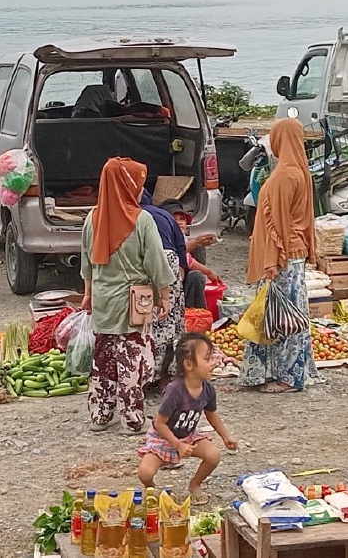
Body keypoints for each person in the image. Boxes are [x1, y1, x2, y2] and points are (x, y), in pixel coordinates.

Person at [81, 158, 175, 434]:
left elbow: (87, 262)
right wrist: (165, 297)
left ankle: (101, 414)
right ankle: (132, 419)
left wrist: (88, 294)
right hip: (137, 298)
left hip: (103, 299)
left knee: (104, 357)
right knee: (133, 357)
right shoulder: (142, 220)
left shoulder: (93, 217)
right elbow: (156, 263)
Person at [238, 118, 321, 393]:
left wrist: (273, 260)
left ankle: (288, 376)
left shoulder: (286, 175)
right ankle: (290, 371)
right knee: (286, 313)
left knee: (281, 317)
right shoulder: (300, 171)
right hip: (293, 252)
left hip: (284, 256)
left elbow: (279, 225)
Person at [138, 333, 238, 503]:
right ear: (189, 364)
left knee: (213, 455)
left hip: (188, 436)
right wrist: (177, 445)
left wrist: (226, 436)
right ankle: (150, 489)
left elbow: (211, 413)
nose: (214, 363)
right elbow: (159, 423)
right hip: (163, 438)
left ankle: (195, 485)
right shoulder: (175, 390)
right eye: (207, 358)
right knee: (145, 473)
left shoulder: (208, 389)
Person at [140, 190, 189, 374]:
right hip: (172, 264)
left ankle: (150, 373)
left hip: (150, 265)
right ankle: (171, 373)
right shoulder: (164, 215)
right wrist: (181, 269)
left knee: (148, 321)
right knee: (174, 321)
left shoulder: (135, 215)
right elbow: (180, 245)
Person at [161, 199, 219, 310]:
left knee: (196, 276)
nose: (179, 222)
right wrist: (194, 243)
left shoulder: (182, 238)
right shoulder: (164, 237)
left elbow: (189, 261)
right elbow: (172, 256)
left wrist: (209, 272)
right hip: (166, 286)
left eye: (182, 219)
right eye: (175, 219)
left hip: (179, 282)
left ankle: (197, 314)